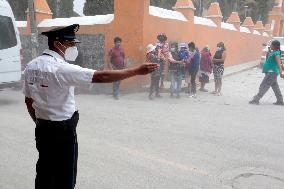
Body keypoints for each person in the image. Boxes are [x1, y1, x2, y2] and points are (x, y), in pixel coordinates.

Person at [23, 24, 158, 189]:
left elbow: (28, 100)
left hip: (43, 130)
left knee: (45, 170)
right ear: (58, 44)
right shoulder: (62, 69)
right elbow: (102, 76)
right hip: (62, 132)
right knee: (64, 177)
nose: (74, 48)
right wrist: (136, 70)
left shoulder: (31, 66)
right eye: (71, 44)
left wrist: (39, 123)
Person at [249, 40, 284, 106]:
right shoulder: (274, 52)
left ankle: (256, 99)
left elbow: (279, 63)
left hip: (272, 73)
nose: (270, 46)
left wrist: (281, 72)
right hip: (271, 72)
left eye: (272, 45)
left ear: (275, 46)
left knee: (264, 85)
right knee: (275, 86)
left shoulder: (276, 54)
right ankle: (280, 101)